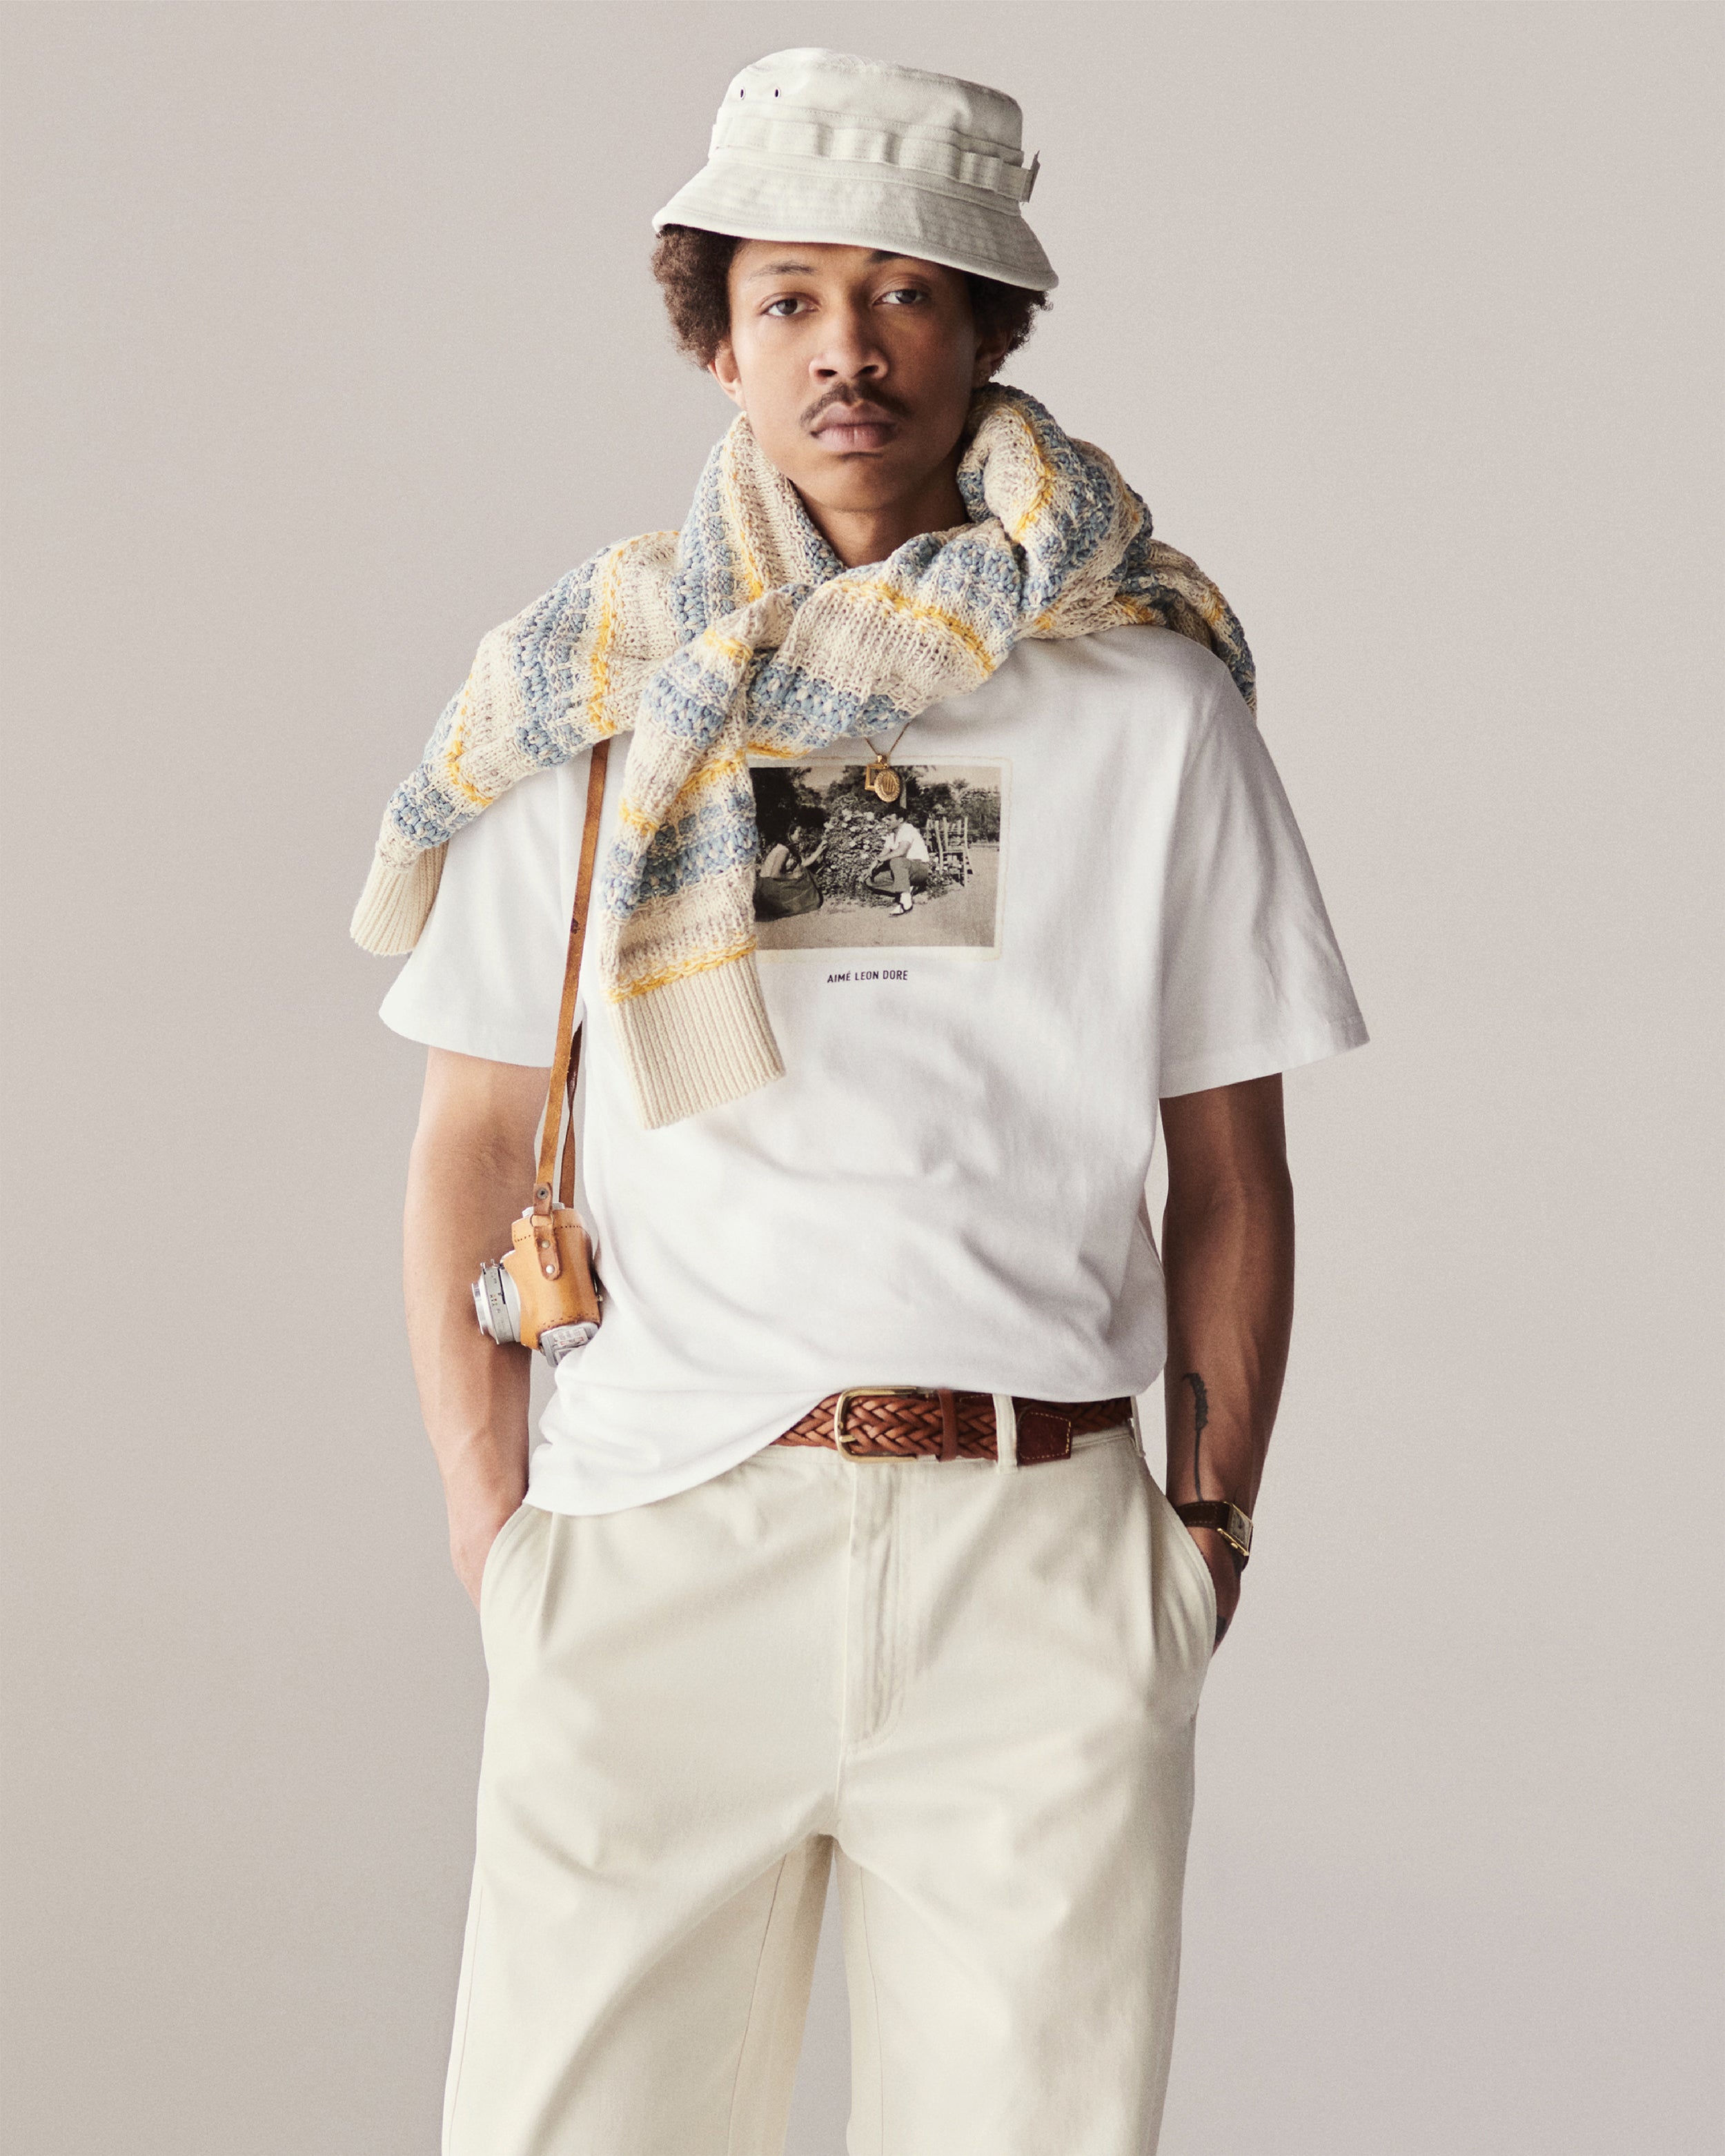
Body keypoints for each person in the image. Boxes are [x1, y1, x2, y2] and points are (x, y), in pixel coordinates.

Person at [354, 46, 1366, 2156]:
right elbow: (469, 1133)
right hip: (652, 1538)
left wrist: (1202, 1535)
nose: (847, 348)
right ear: (715, 335)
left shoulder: (1150, 699)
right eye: (791, 295)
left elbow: (1228, 1169)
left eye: (904, 293)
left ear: (985, 333)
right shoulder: (587, 692)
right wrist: (491, 1527)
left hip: (1035, 1553)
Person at [867, 810, 933, 913]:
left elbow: (902, 851)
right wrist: (874, 863)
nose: (886, 822)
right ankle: (908, 888)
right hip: (903, 870)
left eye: (889, 819)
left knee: (897, 860)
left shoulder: (908, 829)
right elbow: (885, 851)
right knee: (870, 880)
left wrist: (881, 860)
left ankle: (905, 901)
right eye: (886, 819)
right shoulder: (891, 833)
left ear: (900, 820)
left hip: (919, 869)